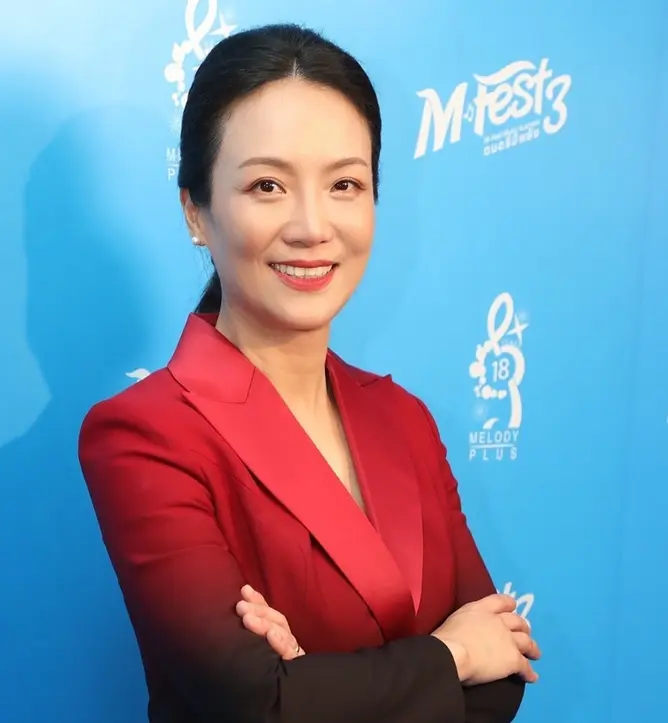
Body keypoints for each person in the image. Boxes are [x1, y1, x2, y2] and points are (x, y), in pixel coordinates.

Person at [78, 23, 540, 723]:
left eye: (345, 183)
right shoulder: (144, 434)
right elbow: (257, 704)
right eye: (267, 185)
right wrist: (453, 655)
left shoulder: (404, 417)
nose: (311, 226)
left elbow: (504, 675)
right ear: (196, 210)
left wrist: (318, 687)